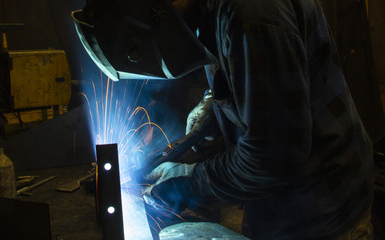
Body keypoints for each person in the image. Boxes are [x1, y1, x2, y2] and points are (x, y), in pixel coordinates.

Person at [72, 0, 375, 239]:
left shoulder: (252, 14)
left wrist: (191, 180)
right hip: (280, 200)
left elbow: (271, 157)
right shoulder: (215, 10)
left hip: (321, 208)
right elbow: (251, 75)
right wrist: (213, 107)